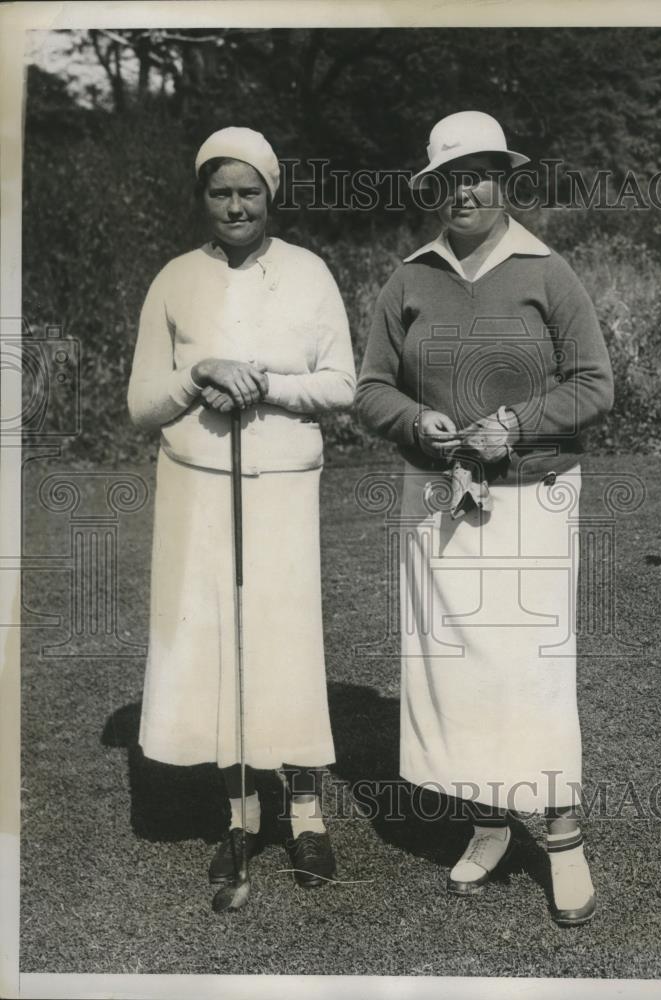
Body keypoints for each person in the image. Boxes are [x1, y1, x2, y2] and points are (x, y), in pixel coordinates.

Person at [355, 111, 613, 925]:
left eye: (481, 173)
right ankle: (490, 821)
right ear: (431, 188)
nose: (464, 189)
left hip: (531, 496)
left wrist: (519, 423)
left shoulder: (547, 269)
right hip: (435, 499)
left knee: (526, 668)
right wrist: (414, 422)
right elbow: (370, 389)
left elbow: (594, 384)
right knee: (457, 672)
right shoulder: (409, 277)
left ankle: (562, 837)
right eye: (449, 176)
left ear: (504, 182)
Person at [127, 126, 356, 892]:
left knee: (285, 645)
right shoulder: (172, 279)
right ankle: (238, 817)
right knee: (220, 645)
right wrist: (198, 375)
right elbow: (140, 404)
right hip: (194, 489)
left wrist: (261, 379)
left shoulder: (309, 274)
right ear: (202, 199)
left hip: (284, 486)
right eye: (220, 191)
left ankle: (306, 818)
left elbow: (340, 385)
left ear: (270, 195)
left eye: (248, 191)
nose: (234, 205)